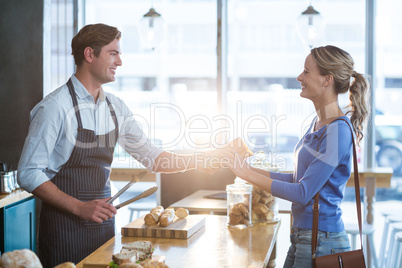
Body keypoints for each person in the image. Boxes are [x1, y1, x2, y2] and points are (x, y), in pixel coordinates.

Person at [17, 23, 247, 267]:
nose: (120, 61)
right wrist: (79, 207)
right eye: (113, 53)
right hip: (64, 230)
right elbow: (28, 173)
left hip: (104, 230)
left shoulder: (115, 107)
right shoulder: (54, 107)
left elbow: (154, 158)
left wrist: (204, 158)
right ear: (89, 54)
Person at [228, 45, 369, 268]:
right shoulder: (319, 124)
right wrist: (247, 169)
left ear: (327, 80)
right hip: (305, 237)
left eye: (306, 71)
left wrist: (246, 174)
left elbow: (303, 193)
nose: (299, 77)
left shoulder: (337, 131)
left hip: (322, 241)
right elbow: (297, 180)